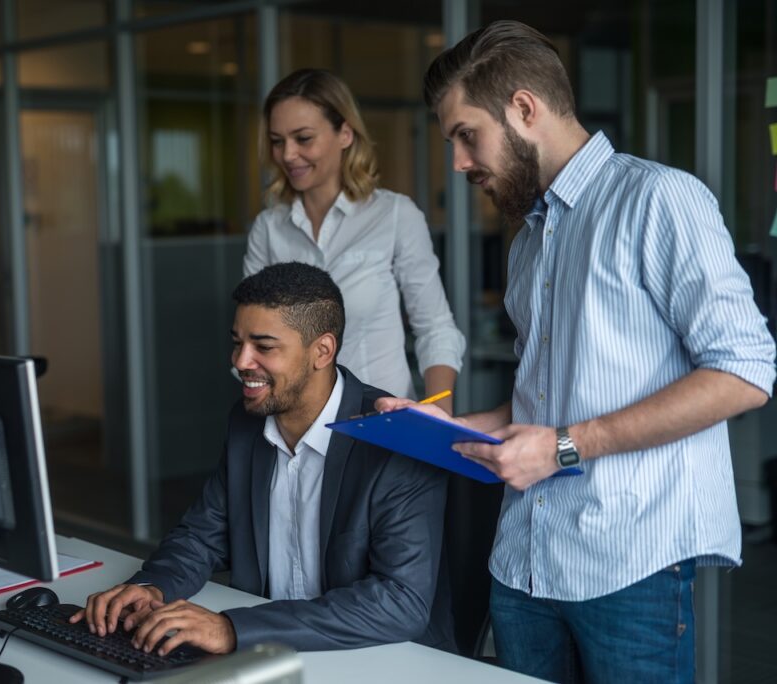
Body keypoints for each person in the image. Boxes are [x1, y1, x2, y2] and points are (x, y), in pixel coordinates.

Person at [376, 20, 777, 684]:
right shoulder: (528, 240)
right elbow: (552, 393)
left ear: (524, 109)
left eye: (466, 136)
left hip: (630, 565)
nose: (459, 163)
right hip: (523, 563)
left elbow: (744, 372)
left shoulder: (658, 199)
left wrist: (565, 446)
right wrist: (457, 429)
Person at [71, 262, 455, 655]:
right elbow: (202, 535)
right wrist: (152, 585)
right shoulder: (246, 421)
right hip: (273, 659)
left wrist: (233, 629)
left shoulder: (396, 439)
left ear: (322, 351)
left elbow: (401, 603)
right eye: (237, 342)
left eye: (263, 347)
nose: (240, 362)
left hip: (383, 660)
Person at [243, 68, 464, 413]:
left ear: (345, 134)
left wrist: (440, 412)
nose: (287, 154)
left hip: (381, 425)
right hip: (294, 430)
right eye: (277, 141)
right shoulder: (268, 229)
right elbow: (251, 342)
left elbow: (435, 328)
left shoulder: (394, 215)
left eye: (303, 138)